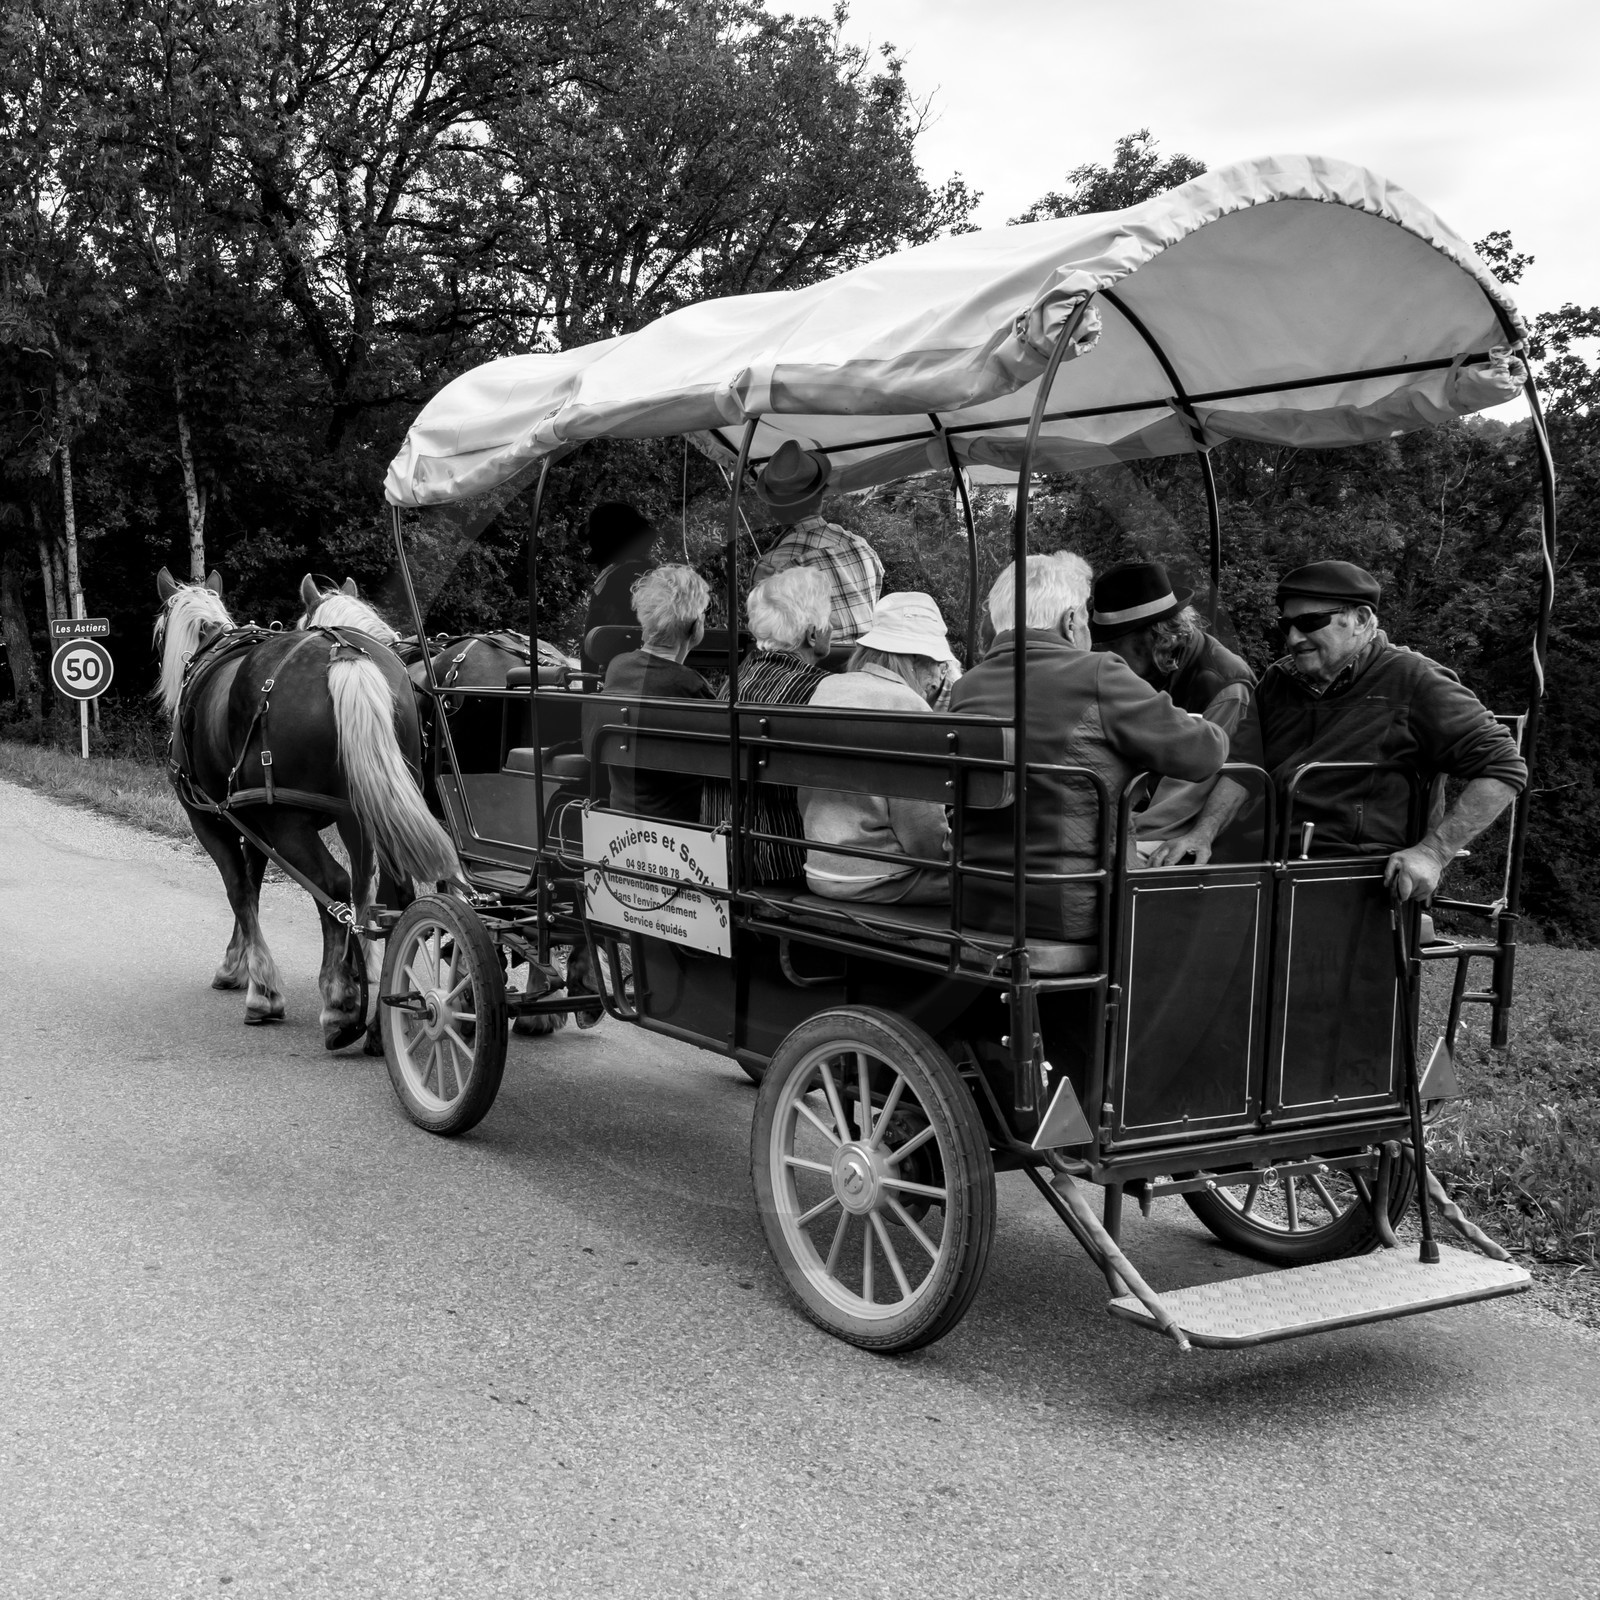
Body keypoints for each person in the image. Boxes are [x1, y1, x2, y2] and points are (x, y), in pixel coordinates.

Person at [949, 553, 1227, 942]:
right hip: (1071, 908)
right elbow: (1205, 754)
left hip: (978, 899)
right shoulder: (1097, 673)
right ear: (1070, 621)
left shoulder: (967, 687)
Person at [1256, 559, 1526, 901]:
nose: (1294, 638)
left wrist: (1433, 852)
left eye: (1309, 622)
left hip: (1362, 885)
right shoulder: (1277, 681)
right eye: (1286, 626)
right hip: (1265, 868)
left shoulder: (1414, 679)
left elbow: (1504, 767)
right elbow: (1240, 767)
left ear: (1361, 619)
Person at [1089, 560, 1261, 866]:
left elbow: (1185, 799)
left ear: (1156, 636)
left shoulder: (1223, 685)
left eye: (1115, 642)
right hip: (1132, 812)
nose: (1103, 654)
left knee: (1103, 868)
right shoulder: (1142, 671)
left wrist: (1116, 834)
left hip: (1180, 830)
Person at [799, 592, 958, 905]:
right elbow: (920, 829)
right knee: (993, 883)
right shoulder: (907, 705)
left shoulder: (829, 687)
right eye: (939, 664)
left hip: (820, 870)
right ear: (915, 660)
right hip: (879, 878)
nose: (940, 675)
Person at [700, 565, 835, 884]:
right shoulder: (820, 690)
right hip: (784, 862)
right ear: (812, 633)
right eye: (829, 621)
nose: (833, 629)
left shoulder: (734, 685)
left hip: (721, 854)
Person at [590, 565, 714, 824]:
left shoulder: (617, 668)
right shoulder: (690, 685)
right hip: (681, 825)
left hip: (621, 817)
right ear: (696, 625)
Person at [749, 440, 883, 647]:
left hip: (811, 670)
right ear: (821, 497)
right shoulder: (861, 546)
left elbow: (770, 639)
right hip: (866, 660)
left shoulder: (774, 565)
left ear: (772, 508)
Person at [580, 501, 655, 674]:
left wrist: (588, 694)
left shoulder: (610, 580)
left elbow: (591, 644)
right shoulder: (656, 575)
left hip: (619, 678)